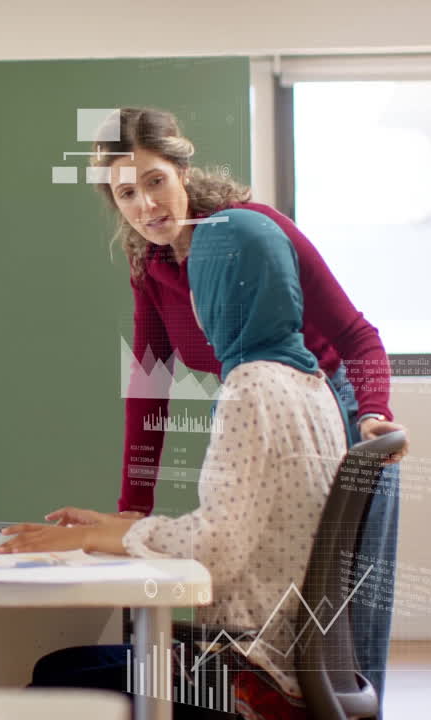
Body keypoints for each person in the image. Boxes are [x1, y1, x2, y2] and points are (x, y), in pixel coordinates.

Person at [0, 107, 405, 704]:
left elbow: (359, 336)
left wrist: (371, 411)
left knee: (342, 647)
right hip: (270, 399)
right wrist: (131, 512)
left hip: (328, 407)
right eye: (127, 194)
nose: (146, 205)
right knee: (293, 615)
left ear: (182, 169)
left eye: (155, 181)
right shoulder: (152, 264)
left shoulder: (252, 235)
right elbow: (149, 388)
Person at [17, 207, 348, 720]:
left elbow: (217, 549)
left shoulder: (250, 388)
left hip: (248, 677)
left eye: (197, 278)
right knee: (63, 668)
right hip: (287, 664)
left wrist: (98, 538)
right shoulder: (312, 384)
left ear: (216, 292)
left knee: (54, 686)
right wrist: (116, 526)